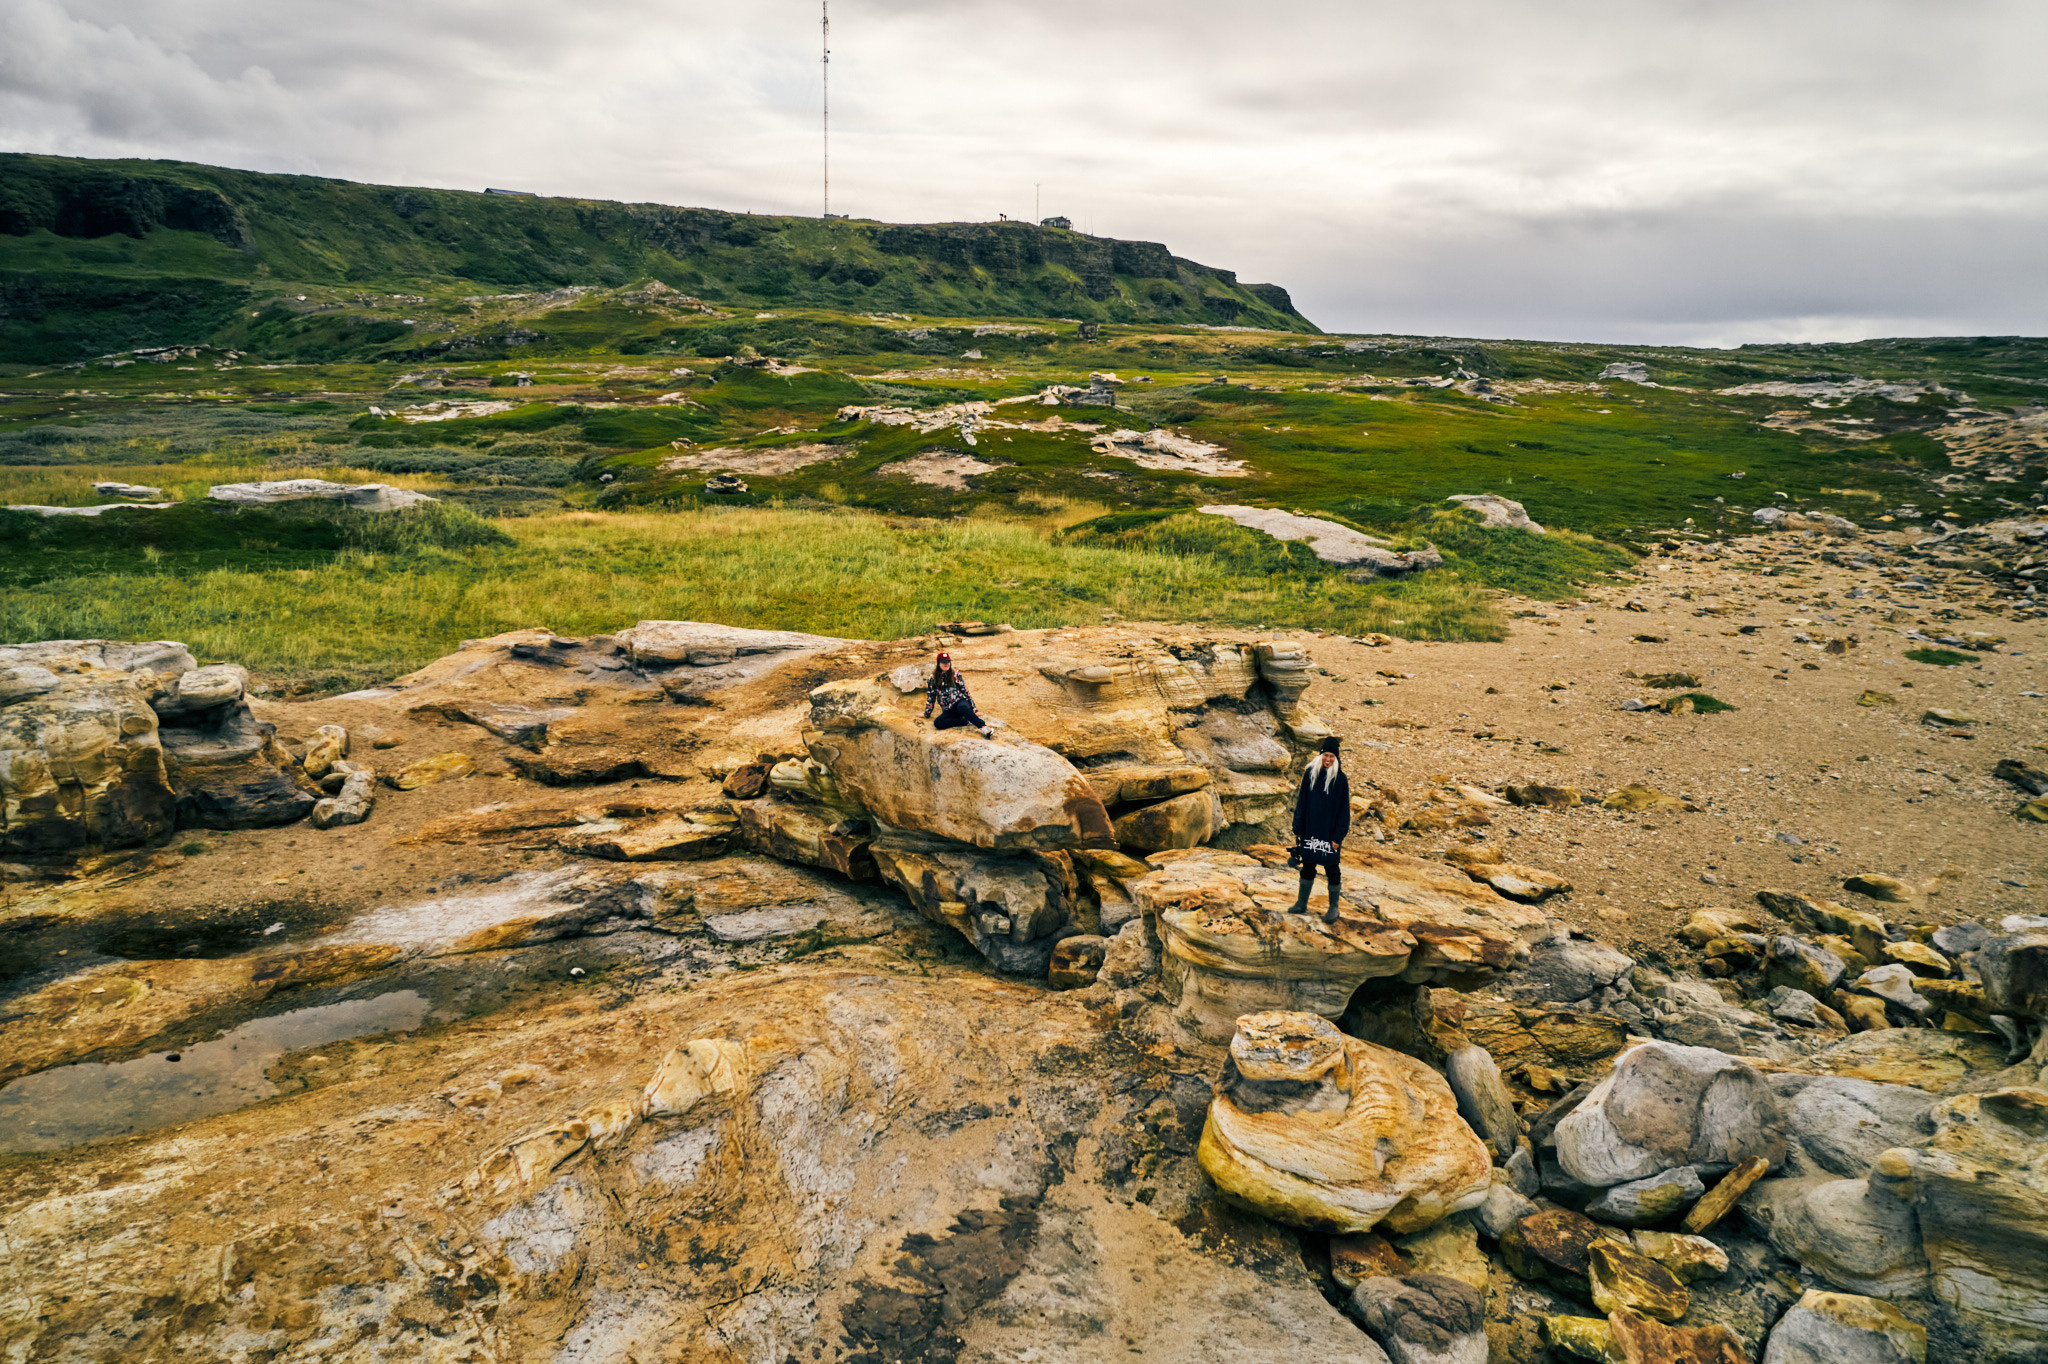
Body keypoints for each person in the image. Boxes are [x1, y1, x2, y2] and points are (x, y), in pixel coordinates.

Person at [1290, 736, 1349, 923]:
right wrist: (1298, 826)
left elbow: (1344, 810)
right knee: (1308, 865)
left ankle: (1333, 908)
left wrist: (1338, 836)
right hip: (1311, 830)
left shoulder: (1340, 780)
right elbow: (1302, 801)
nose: (1328, 759)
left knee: (1332, 869)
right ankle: (1301, 903)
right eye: (1325, 755)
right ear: (1320, 755)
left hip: (1329, 833)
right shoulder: (1310, 774)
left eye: (1332, 756)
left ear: (1336, 758)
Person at [922, 650, 994, 738]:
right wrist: (927, 714)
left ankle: (984, 728)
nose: (946, 664)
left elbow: (965, 691)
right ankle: (967, 721)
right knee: (938, 723)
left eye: (948, 662)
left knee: (962, 707)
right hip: (949, 709)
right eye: (943, 662)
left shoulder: (955, 674)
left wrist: (974, 710)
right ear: (938, 663)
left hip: (961, 702)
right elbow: (931, 697)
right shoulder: (932, 678)